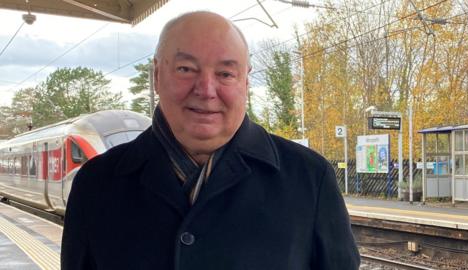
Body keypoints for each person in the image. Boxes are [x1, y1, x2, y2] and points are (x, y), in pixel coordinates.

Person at [61, 11, 360, 270]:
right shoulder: (97, 184)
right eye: (186, 69)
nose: (206, 89)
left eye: (226, 73)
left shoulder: (310, 178)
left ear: (245, 82)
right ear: (156, 75)